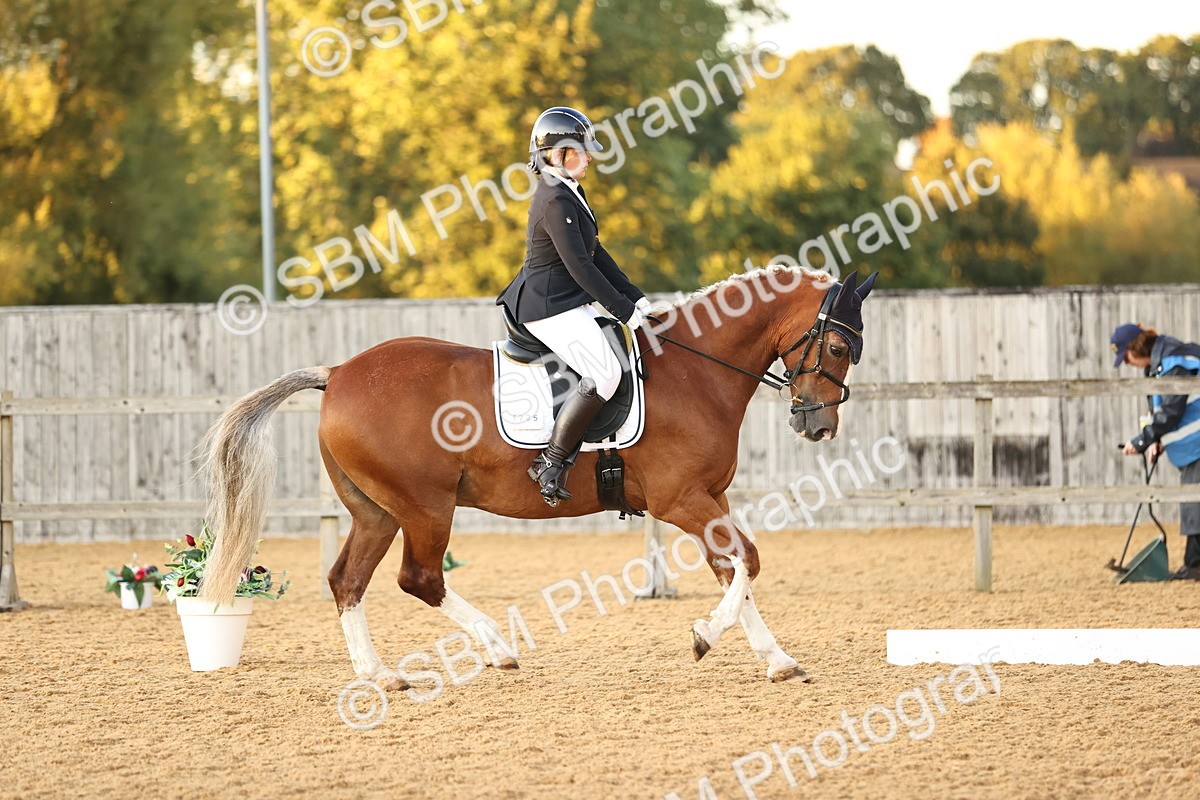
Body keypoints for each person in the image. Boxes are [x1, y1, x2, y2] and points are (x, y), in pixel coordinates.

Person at [497, 107, 651, 505]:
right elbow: (580, 267)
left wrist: (634, 297)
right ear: (557, 153)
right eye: (580, 151)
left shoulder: (569, 191)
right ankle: (550, 461)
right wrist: (621, 310)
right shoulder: (554, 199)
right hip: (549, 306)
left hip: (568, 299)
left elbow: (596, 253)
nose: (589, 157)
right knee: (605, 374)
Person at [1111, 322, 1200, 580]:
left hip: (1197, 442)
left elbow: (1172, 410)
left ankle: (1194, 566)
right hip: (1192, 443)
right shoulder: (1158, 365)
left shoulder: (1173, 361)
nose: (1126, 363)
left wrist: (1142, 440)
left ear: (1135, 348)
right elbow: (1163, 411)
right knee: (1193, 500)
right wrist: (1156, 439)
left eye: (1125, 356)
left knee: (1194, 502)